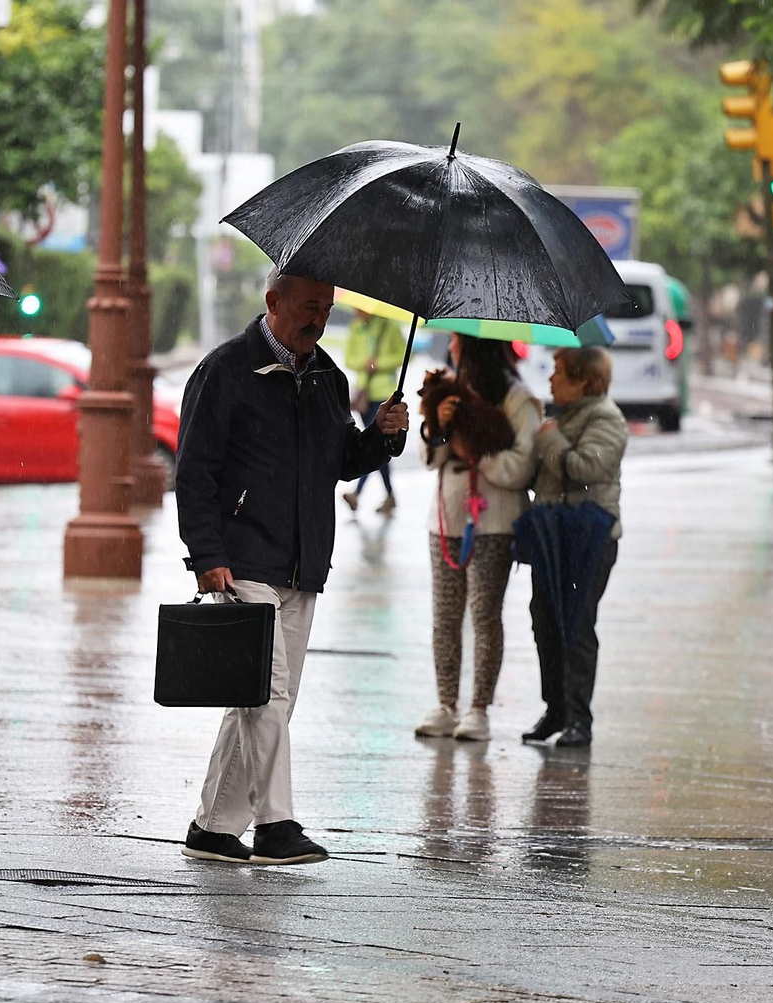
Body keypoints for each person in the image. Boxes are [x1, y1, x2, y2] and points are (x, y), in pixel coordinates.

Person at [175, 269, 409, 865]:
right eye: (308, 306)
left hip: (303, 561)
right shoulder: (225, 370)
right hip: (242, 558)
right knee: (267, 696)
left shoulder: (329, 377)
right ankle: (275, 826)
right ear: (273, 301)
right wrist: (207, 555)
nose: (318, 319)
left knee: (264, 698)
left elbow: (341, 460)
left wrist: (381, 436)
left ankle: (213, 828)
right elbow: (194, 472)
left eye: (326, 308)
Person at [415, 334, 540, 742]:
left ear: (473, 346)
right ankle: (446, 704)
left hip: (494, 522)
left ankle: (479, 709)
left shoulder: (517, 399)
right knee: (445, 617)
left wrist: (479, 456)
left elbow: (523, 464)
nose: (451, 348)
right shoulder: (450, 389)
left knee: (485, 615)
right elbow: (429, 457)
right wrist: (438, 425)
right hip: (447, 519)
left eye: (456, 340)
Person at [521, 346, 626, 749]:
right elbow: (541, 476)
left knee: (577, 625)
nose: (551, 379)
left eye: (559, 372)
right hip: (553, 538)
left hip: (588, 540)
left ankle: (580, 718)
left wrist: (550, 438)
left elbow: (586, 469)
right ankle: (556, 708)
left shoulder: (606, 418)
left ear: (584, 381)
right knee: (545, 621)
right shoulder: (561, 416)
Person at [340, 308, 407, 514]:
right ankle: (389, 494)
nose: (356, 310)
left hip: (384, 393)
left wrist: (379, 364)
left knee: (376, 444)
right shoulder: (355, 328)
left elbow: (403, 356)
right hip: (365, 395)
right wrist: (364, 364)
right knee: (373, 445)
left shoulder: (390, 326)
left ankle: (359, 493)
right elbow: (349, 359)